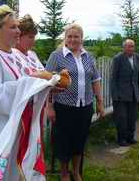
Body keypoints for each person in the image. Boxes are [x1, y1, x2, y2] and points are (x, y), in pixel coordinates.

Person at [0, 5, 57, 181]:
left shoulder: (14, 55)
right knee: (1, 168)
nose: (18, 31)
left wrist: (46, 83)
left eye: (18, 27)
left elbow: (28, 82)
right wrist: (29, 83)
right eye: (12, 27)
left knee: (15, 168)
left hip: (19, 123)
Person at [45, 23, 105, 181]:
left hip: (84, 107)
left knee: (79, 140)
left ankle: (76, 172)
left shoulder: (88, 56)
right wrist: (49, 106)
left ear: (81, 39)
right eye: (70, 36)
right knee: (64, 141)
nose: (73, 39)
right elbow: (47, 83)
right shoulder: (56, 56)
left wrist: (99, 101)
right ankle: (64, 173)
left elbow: (95, 79)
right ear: (65, 38)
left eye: (76, 36)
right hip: (64, 107)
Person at [110, 39, 139, 146]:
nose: (131, 49)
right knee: (122, 118)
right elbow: (113, 78)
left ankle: (130, 137)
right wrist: (115, 95)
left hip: (134, 94)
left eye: (132, 46)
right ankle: (121, 139)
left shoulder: (138, 58)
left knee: (132, 117)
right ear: (124, 48)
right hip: (120, 95)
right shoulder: (118, 59)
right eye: (128, 46)